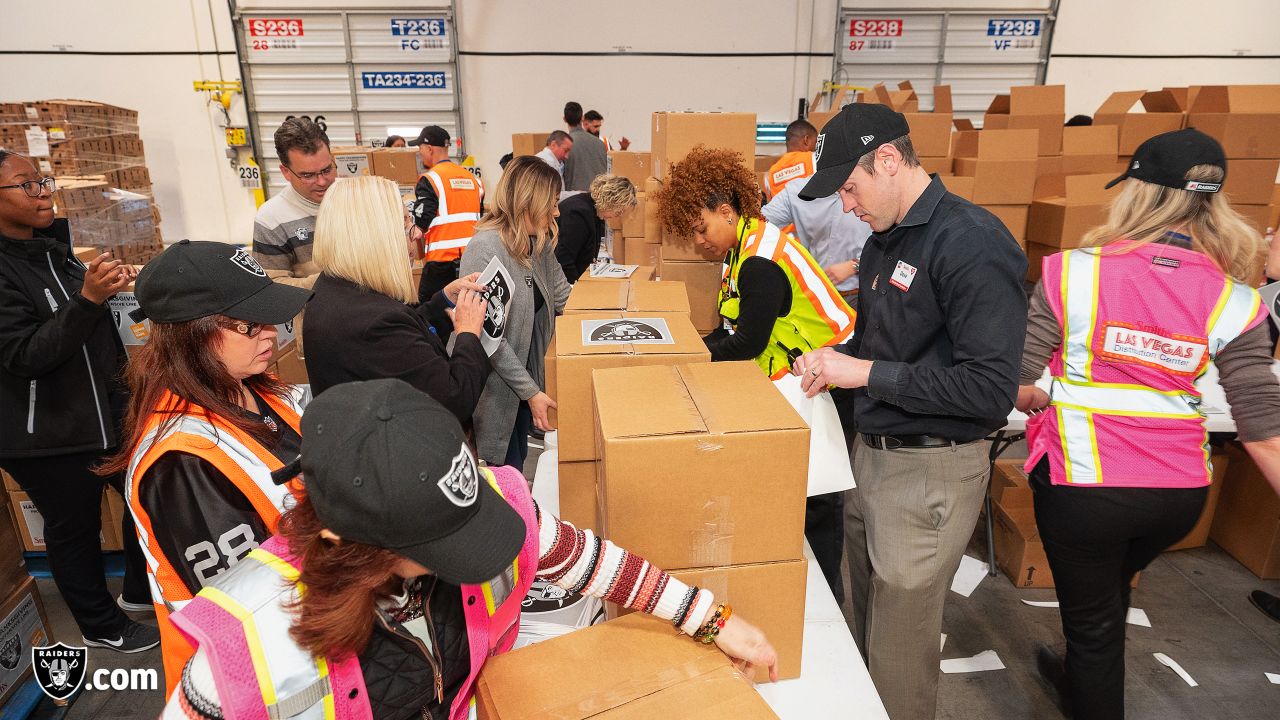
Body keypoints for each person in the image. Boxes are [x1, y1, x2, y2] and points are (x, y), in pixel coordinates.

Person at [160, 379, 779, 719]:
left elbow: (589, 560)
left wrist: (714, 621)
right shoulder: (243, 649)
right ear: (364, 548)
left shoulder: (477, 501)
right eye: (444, 544)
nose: (480, 552)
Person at [1015, 129, 1280, 719]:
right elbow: (1262, 430)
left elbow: (1016, 378)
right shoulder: (1238, 301)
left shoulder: (1069, 274)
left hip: (1084, 488)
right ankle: (1082, 667)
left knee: (1092, 628)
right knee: (1105, 599)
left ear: (1137, 193)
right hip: (1179, 497)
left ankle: (1087, 678)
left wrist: (1043, 391)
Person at [792, 103, 1027, 720]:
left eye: (850, 187)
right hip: (871, 462)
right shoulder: (883, 242)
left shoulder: (970, 242)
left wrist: (862, 372)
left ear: (889, 160)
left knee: (898, 655)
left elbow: (987, 391)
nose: (846, 205)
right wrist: (833, 357)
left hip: (931, 476)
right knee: (865, 629)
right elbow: (878, 347)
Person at [100, 240, 312, 694]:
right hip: (252, 679)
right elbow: (245, 600)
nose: (271, 333)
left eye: (270, 319)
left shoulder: (258, 390)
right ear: (193, 333)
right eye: (250, 325)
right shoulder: (180, 461)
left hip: (310, 653)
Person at [654, 145, 854, 604]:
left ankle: (823, 607)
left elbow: (749, 342)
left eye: (702, 228)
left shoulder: (760, 260)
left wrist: (685, 356)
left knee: (814, 507)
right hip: (796, 379)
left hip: (816, 384)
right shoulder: (747, 245)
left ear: (727, 211)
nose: (699, 241)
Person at [0, 151, 158, 654]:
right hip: (45, 432)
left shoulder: (51, 251)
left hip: (99, 416)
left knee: (145, 497)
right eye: (27, 185)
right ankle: (99, 624)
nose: (44, 191)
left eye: (43, 180)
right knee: (75, 530)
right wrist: (87, 299)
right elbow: (25, 355)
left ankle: (138, 593)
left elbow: (90, 336)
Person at [303, 176, 492, 423]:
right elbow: (454, 399)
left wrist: (443, 301)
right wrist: (468, 335)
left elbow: (404, 345)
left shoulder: (337, 289)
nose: (416, 234)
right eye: (406, 227)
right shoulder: (374, 323)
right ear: (376, 239)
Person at [460, 156, 570, 470]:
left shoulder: (538, 246)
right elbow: (487, 335)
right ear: (529, 201)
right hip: (494, 396)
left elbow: (564, 297)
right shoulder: (485, 248)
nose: (557, 212)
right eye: (552, 202)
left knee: (516, 471)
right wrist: (530, 390)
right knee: (500, 477)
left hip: (523, 390)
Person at [763, 119, 872, 302]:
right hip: (817, 294)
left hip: (860, 295)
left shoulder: (874, 191)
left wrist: (855, 266)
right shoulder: (796, 191)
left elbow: (893, 248)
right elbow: (759, 224)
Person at [252, 117, 335, 289]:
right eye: (308, 175)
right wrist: (336, 282)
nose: (321, 181)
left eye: (327, 170)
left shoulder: (356, 198)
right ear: (285, 172)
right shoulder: (271, 219)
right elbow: (272, 287)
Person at [411, 125, 485, 305]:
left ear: (429, 149)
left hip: (441, 265)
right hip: (473, 261)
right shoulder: (473, 180)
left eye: (419, 148)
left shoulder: (430, 179)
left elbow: (421, 223)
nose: (419, 153)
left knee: (427, 315)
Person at [555, 174, 637, 283]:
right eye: (619, 211)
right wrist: (578, 289)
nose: (617, 216)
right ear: (610, 201)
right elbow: (564, 260)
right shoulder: (579, 214)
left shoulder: (595, 213)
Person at [562, 101, 606, 192]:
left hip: (574, 200)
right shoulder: (600, 143)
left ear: (564, 119)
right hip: (599, 199)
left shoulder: (563, 146)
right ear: (582, 118)